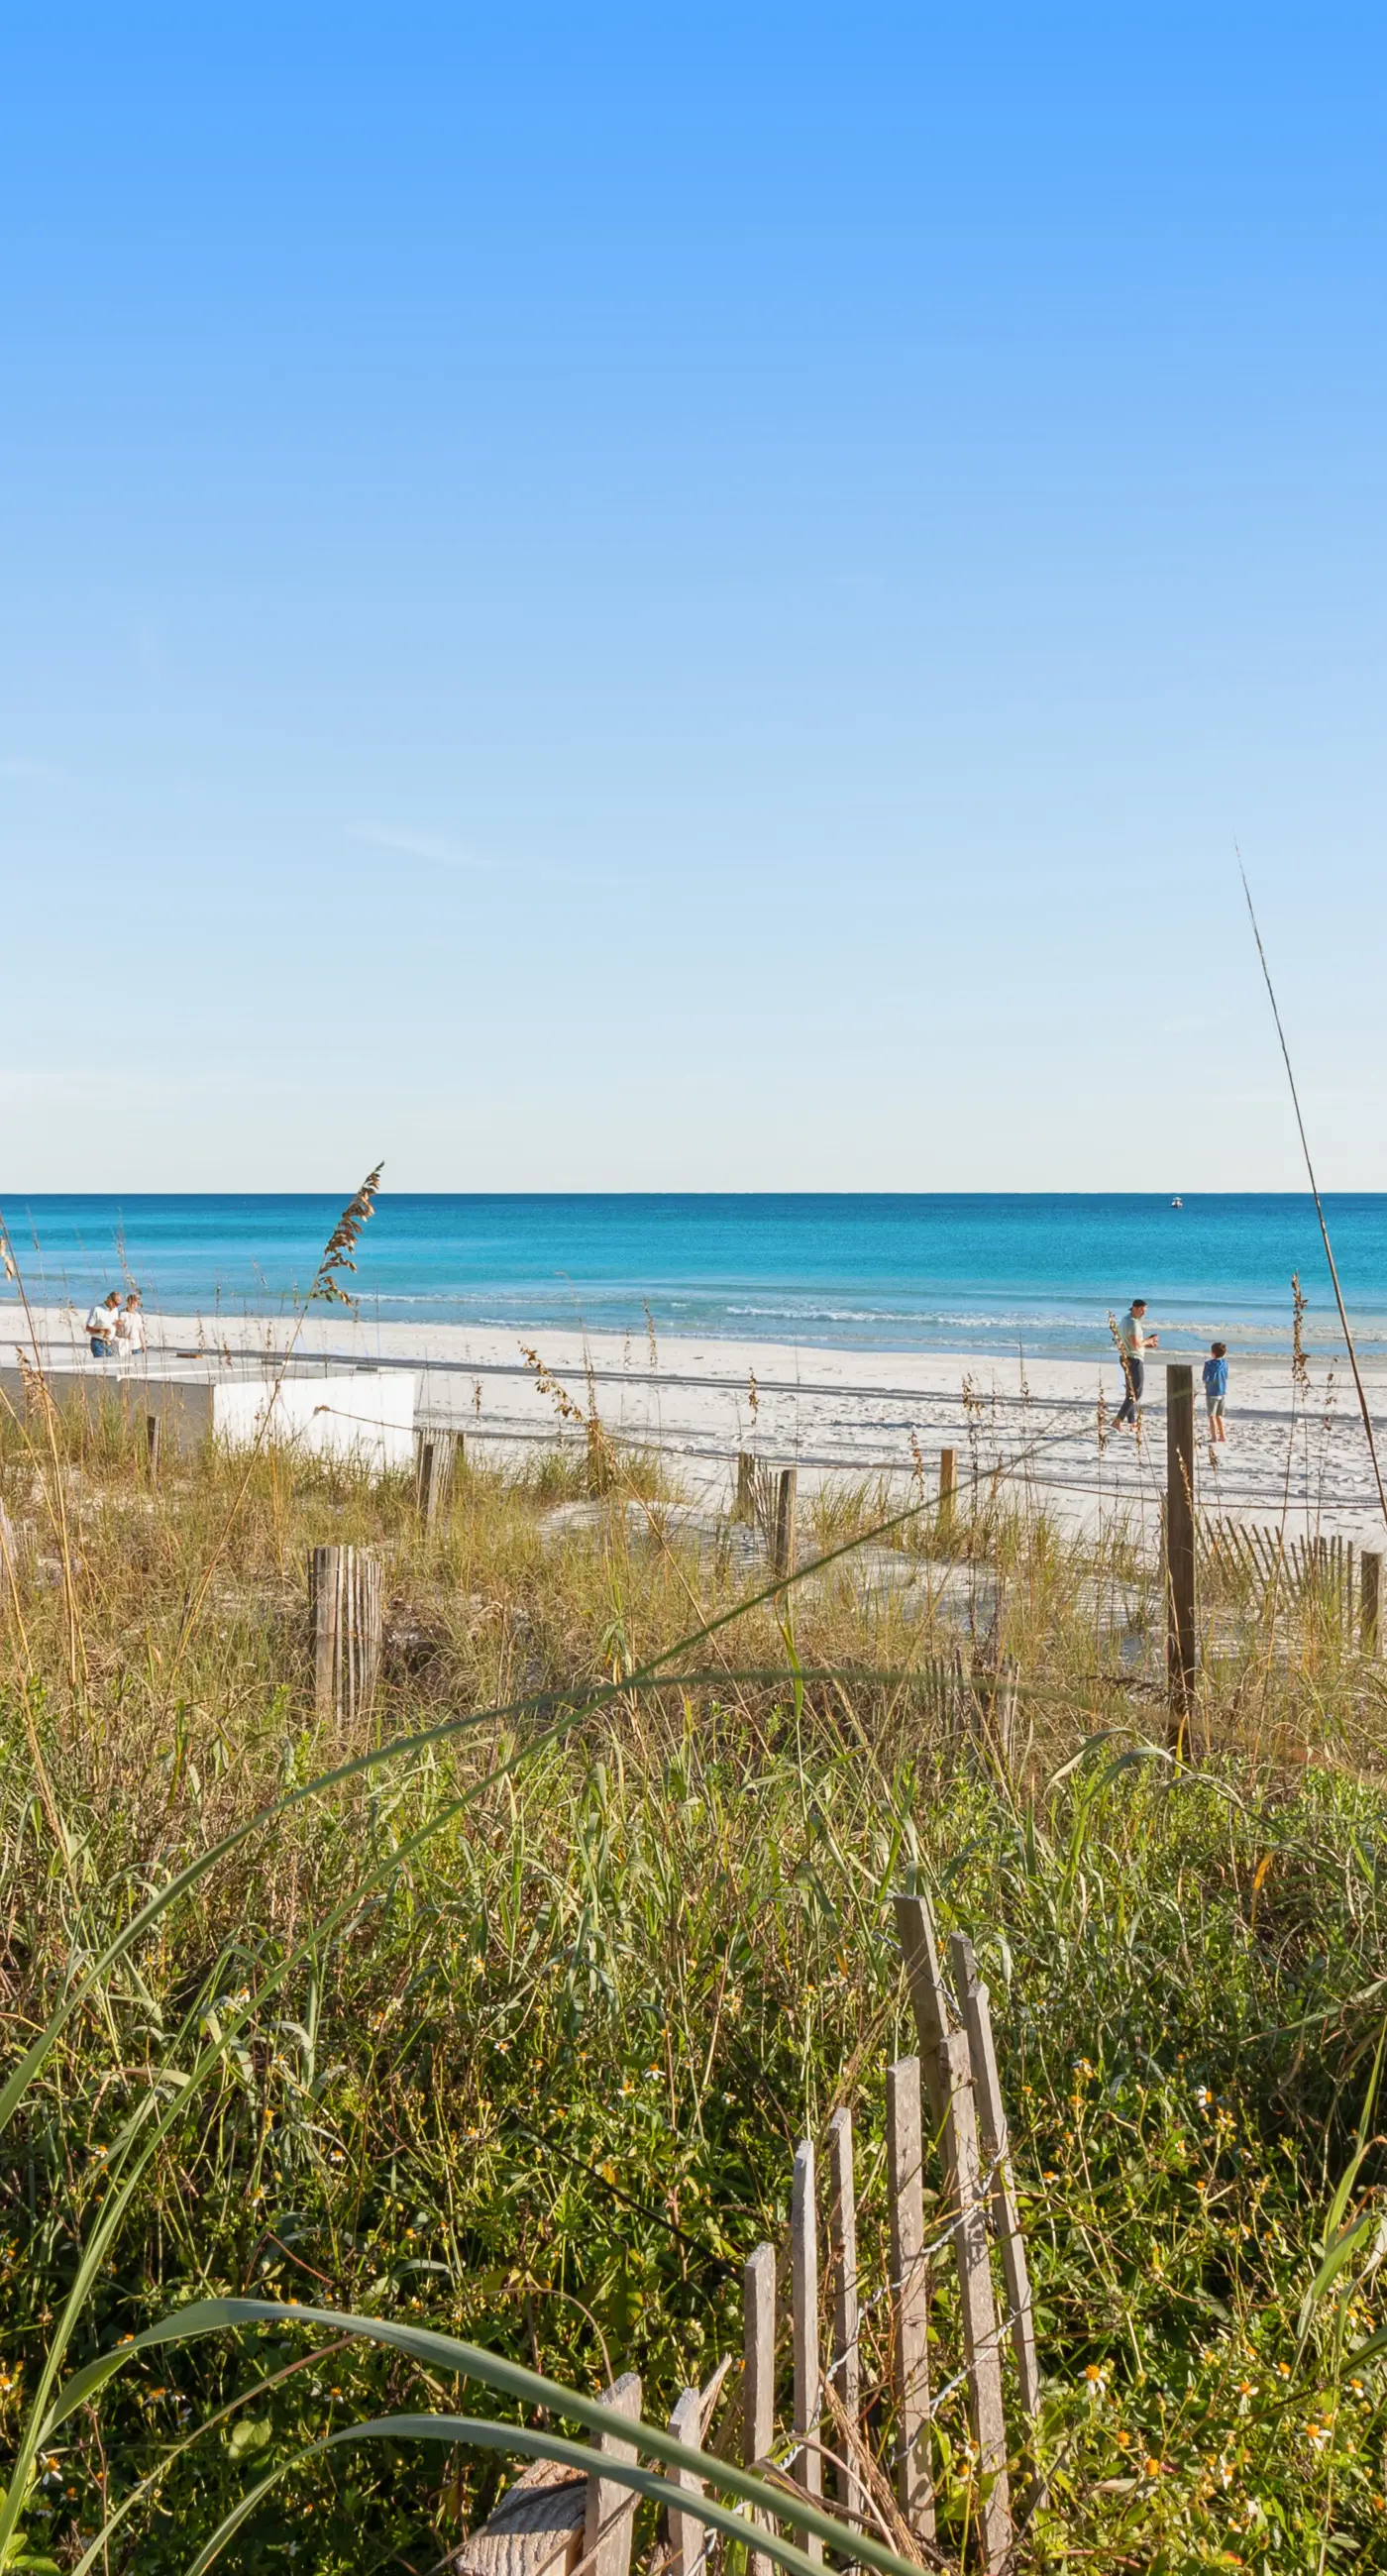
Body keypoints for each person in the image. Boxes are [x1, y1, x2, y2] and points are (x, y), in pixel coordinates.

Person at [1114, 1298, 1158, 1428]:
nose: (1143, 1314)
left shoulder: (1125, 1320)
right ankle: (1117, 1421)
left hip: (1126, 1357)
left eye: (1145, 1311)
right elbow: (1135, 1345)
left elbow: (1132, 1344)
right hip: (1133, 1359)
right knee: (1136, 1393)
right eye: (1142, 1311)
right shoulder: (1132, 1323)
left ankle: (1132, 1421)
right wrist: (1149, 1341)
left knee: (1131, 1392)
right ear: (1135, 1308)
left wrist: (1147, 1344)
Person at [1203, 1341, 1228, 1447]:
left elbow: (1205, 1378)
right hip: (1222, 1392)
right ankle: (1222, 1436)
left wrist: (1207, 1383)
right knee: (1219, 1416)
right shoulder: (1225, 1363)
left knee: (1211, 1416)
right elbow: (1226, 1375)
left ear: (1212, 1353)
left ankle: (1214, 1437)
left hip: (1212, 1393)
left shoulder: (1208, 1364)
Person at [85, 1291, 121, 1357]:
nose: (116, 1306)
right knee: (101, 1364)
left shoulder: (115, 1310)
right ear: (109, 1299)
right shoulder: (97, 1309)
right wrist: (101, 1330)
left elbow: (114, 1323)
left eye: (119, 1304)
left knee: (109, 1365)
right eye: (116, 1303)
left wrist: (118, 1324)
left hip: (110, 1342)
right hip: (98, 1342)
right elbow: (88, 1328)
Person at [115, 1289, 148, 1362]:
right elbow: (117, 1329)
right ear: (127, 1303)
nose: (133, 1306)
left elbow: (141, 1331)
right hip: (125, 1347)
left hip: (137, 1346)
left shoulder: (138, 1315)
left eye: (135, 1304)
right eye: (131, 1303)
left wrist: (144, 1345)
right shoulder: (122, 1314)